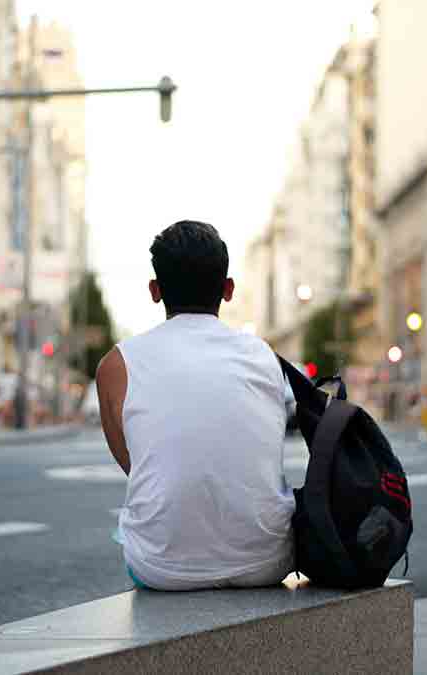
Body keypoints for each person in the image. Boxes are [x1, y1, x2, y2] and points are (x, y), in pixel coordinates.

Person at [96, 220, 295, 591]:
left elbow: (136, 463)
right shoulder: (263, 355)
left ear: (155, 291)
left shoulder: (116, 365)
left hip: (162, 568)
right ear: (228, 289)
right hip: (268, 561)